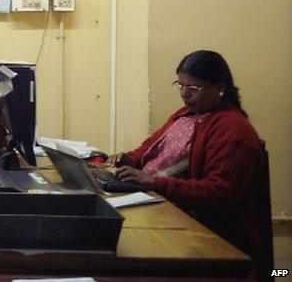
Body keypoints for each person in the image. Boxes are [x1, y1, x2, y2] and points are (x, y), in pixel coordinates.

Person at [111, 50, 263, 263]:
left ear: (220, 88)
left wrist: (155, 182)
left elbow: (219, 193)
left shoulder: (233, 130)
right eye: (180, 85)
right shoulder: (186, 114)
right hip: (163, 210)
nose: (184, 93)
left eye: (193, 88)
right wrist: (128, 159)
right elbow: (149, 148)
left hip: (211, 240)